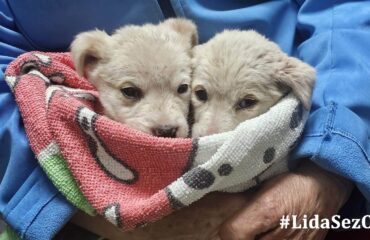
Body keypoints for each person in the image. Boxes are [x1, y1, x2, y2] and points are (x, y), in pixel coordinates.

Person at [1, 0, 369, 239]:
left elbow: (344, 11)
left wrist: (329, 166)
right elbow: (9, 75)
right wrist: (115, 218)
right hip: (85, 204)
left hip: (303, 142)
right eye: (131, 92)